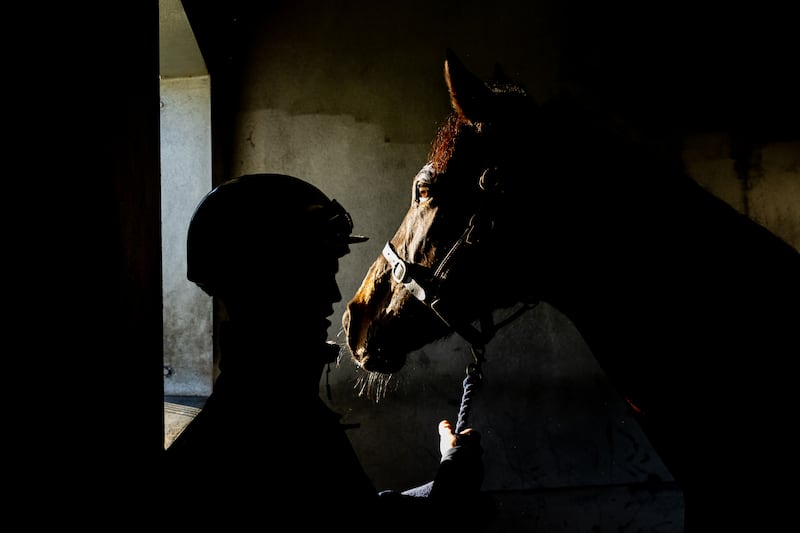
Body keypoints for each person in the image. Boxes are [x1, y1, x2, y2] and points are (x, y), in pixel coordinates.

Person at [164, 173, 487, 531]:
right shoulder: (273, 424)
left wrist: (447, 476)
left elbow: (354, 513)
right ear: (268, 281)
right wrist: (453, 481)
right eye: (316, 275)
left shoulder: (264, 407)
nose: (335, 295)